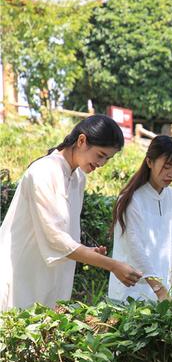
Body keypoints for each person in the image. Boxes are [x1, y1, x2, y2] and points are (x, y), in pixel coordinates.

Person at [0, 115, 142, 311]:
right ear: (81, 141)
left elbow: (66, 236)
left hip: (50, 277)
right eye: (100, 155)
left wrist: (87, 252)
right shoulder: (43, 171)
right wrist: (112, 265)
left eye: (108, 159)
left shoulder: (78, 178)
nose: (102, 164)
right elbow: (56, 239)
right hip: (19, 275)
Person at [108, 135, 172, 303]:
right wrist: (159, 289)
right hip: (130, 293)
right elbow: (135, 249)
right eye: (167, 166)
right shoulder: (132, 198)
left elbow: (170, 244)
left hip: (161, 293)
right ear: (149, 162)